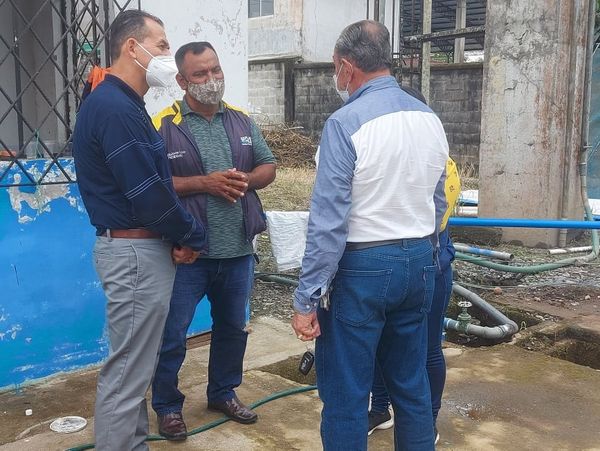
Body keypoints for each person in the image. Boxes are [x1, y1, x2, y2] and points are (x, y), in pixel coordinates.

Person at [291, 20, 449, 450]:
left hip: (363, 267)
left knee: (346, 393)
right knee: (411, 385)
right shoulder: (428, 118)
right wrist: (429, 252)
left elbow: (328, 222)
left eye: (335, 68)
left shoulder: (345, 123)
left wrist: (306, 298)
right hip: (419, 260)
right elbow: (438, 201)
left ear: (346, 66)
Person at [72, 10, 206, 451]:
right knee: (127, 375)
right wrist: (191, 234)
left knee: (134, 370)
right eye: (163, 45)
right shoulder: (114, 107)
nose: (169, 54)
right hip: (134, 255)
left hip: (138, 253)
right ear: (133, 47)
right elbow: (149, 194)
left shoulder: (123, 104)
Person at [151, 41, 276, 441]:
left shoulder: (240, 120)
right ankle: (168, 406)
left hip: (238, 251)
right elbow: (153, 184)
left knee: (232, 328)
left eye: (215, 70)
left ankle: (223, 392)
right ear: (181, 80)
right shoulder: (163, 125)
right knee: (173, 334)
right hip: (188, 254)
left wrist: (246, 179)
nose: (212, 79)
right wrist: (205, 183)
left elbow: (268, 166)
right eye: (200, 74)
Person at [368, 156, 461, 445]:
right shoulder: (386, 154)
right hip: (390, 264)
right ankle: (380, 409)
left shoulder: (440, 161)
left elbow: (436, 218)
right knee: (378, 343)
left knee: (429, 348)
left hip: (432, 266)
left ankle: (428, 421)